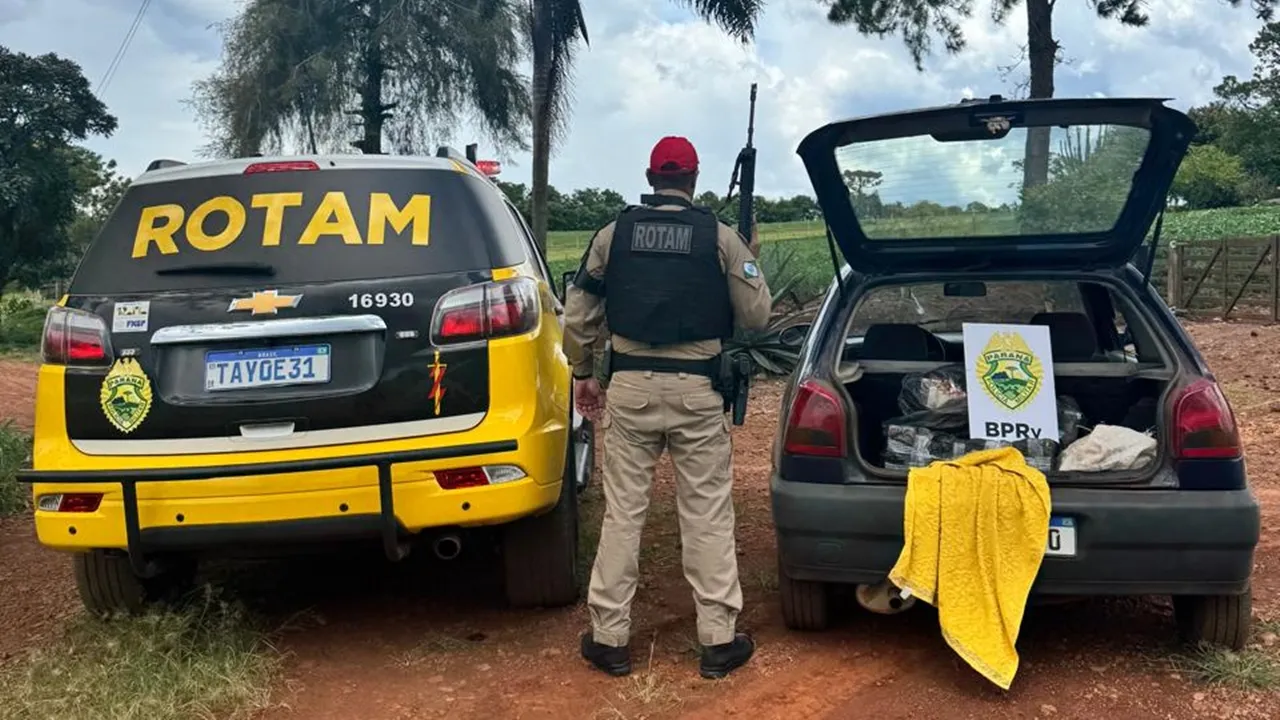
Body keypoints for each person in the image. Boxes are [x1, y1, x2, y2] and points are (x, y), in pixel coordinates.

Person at [562, 135, 772, 680]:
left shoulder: (612, 234)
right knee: (706, 513)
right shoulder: (720, 237)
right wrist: (748, 256)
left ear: (651, 177)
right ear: (694, 179)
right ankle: (718, 640)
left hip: (629, 388)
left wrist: (583, 373)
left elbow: (578, 313)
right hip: (698, 392)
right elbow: (756, 317)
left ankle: (609, 638)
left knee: (623, 513)